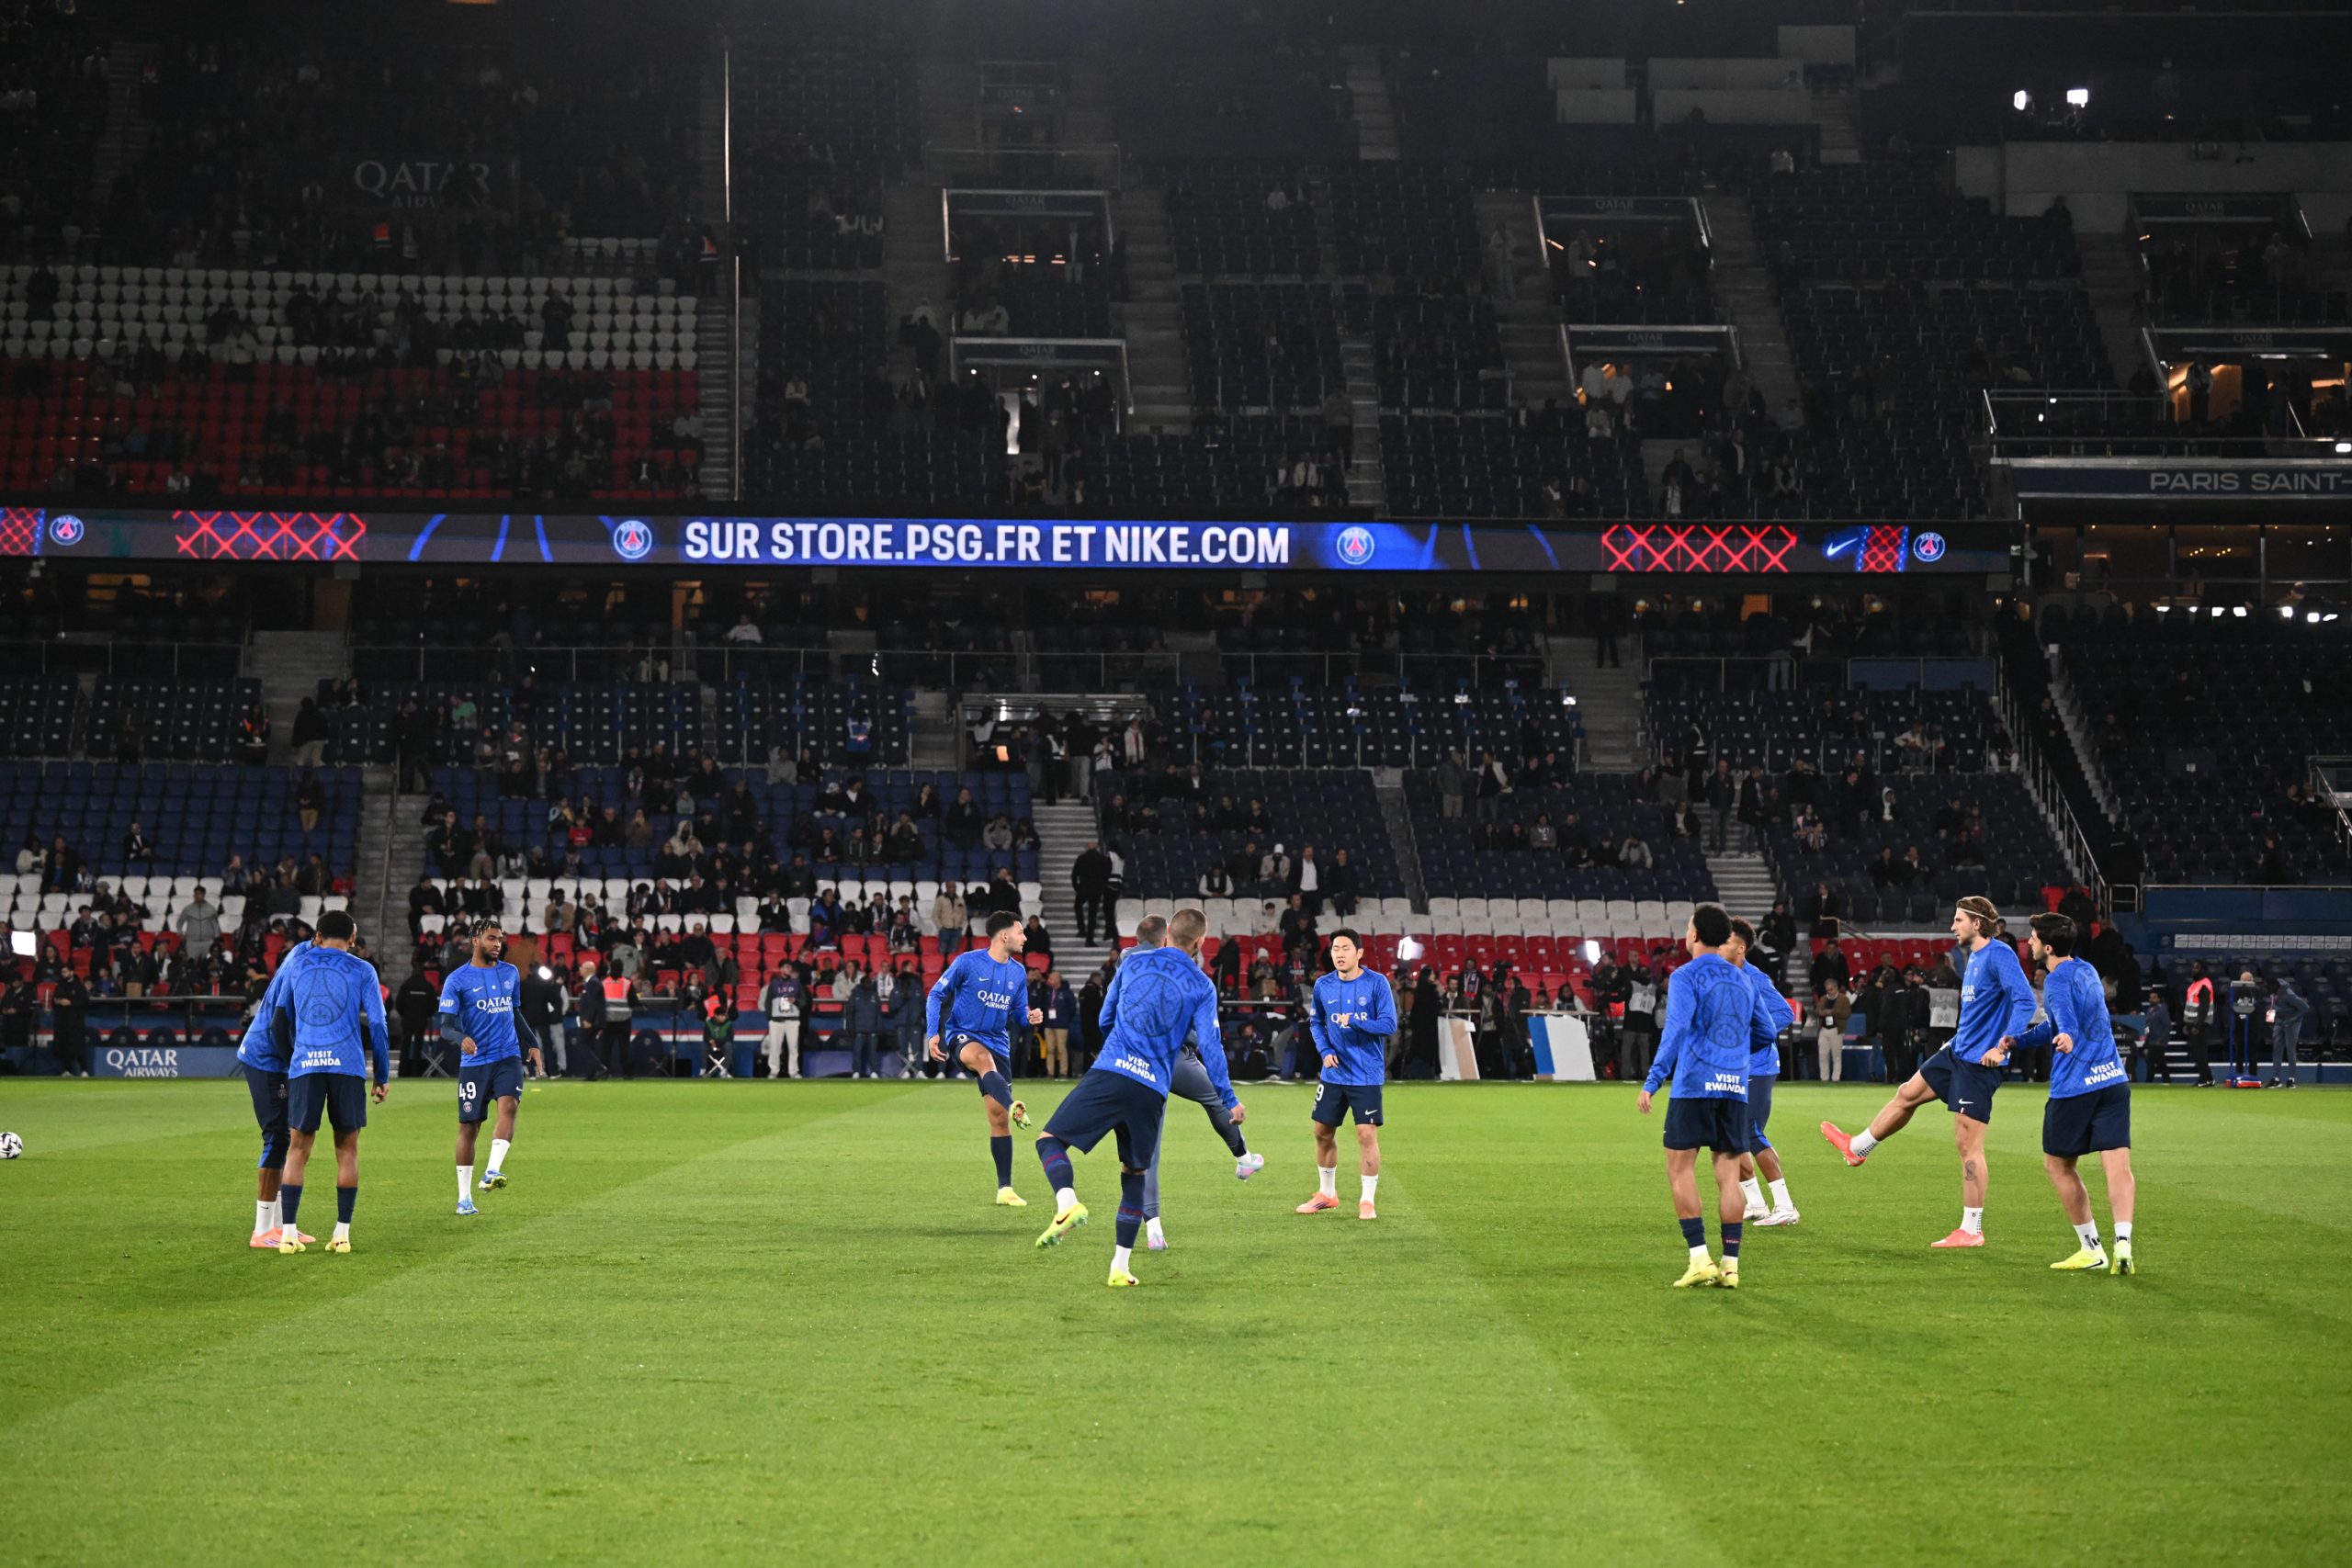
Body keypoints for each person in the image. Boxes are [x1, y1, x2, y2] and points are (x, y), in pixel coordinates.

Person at [1032, 910, 1233, 1288]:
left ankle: (1067, 1204)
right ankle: (1120, 1267)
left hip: (1113, 1069)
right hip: (1153, 1087)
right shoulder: (1203, 985)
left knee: (1049, 1141)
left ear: (1168, 932)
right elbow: (1211, 1046)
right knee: (1135, 1173)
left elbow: (1106, 1019)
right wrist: (1229, 1098)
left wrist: (1123, 1047)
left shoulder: (1132, 960)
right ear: (1201, 943)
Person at [1820, 897, 2036, 1248]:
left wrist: (2002, 1047)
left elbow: (2025, 1001)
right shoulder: (1975, 957)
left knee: (1968, 1145)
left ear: (1977, 924)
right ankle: (1858, 1148)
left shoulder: (1999, 954)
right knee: (1907, 1093)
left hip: (1979, 1064)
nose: (1952, 926)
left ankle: (1972, 1229)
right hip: (1957, 1052)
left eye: (1958, 920)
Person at [2001, 913, 2137, 1275]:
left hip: (2075, 1088)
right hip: (2113, 1081)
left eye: (2030, 938)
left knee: (2058, 1165)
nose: (2027, 943)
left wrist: (2070, 1037)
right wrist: (2021, 1040)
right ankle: (2123, 1241)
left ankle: (2091, 1248)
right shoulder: (2087, 969)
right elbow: (2058, 1024)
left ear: (2047, 947)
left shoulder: (2056, 979)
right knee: (2118, 1166)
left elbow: (2066, 1022)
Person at [1637, 904, 1755, 1289]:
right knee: (1729, 1175)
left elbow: (1675, 1030)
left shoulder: (1685, 976)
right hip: (1735, 1087)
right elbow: (1767, 1030)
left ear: (1694, 935)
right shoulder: (1743, 980)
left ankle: (1699, 1259)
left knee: (1680, 1168)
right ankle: (1731, 1266)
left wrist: (1653, 1080)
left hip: (1695, 1085)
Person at [267, 912, 390, 1254]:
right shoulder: (363, 970)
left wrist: (294, 1060)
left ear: (318, 936)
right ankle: (342, 1235)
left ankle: (288, 1235)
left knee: (297, 1150)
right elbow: (378, 1025)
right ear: (352, 938)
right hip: (347, 1067)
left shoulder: (297, 964)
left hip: (306, 1064)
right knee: (347, 1151)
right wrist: (381, 1075)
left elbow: (278, 1023)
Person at [1138, 950, 1266, 1251]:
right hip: (1176, 1058)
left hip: (1138, 1060)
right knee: (1216, 1098)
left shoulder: (1135, 964)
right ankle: (1244, 1159)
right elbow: (1206, 1040)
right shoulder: (1196, 980)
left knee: (1149, 1146)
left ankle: (1153, 1229)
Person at [925, 910, 1044, 1205]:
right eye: (1020, 932)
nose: (1025, 937)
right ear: (1005, 936)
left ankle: (1005, 1189)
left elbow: (1017, 1013)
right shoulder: (968, 962)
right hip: (963, 1036)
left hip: (998, 1043)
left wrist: (1029, 1017)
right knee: (981, 1059)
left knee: (998, 1119)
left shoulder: (1017, 972)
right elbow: (935, 995)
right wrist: (933, 1033)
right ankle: (1014, 1104)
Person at [1295, 929, 1396, 1221]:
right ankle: (1327, 1194)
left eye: (1346, 948)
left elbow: (1389, 1024)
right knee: (1322, 1132)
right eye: (1335, 949)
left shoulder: (1377, 983)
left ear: (1359, 953)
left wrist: (1355, 1022)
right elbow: (1316, 1023)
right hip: (1333, 1072)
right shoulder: (1323, 985)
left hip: (1366, 1073)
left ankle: (1367, 1201)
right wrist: (1325, 1049)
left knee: (1366, 1133)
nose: (1339, 954)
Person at [439, 919, 537, 1213]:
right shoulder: (457, 980)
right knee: (469, 1128)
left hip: (507, 1056)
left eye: (500, 939)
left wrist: (531, 1042)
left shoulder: (510, 973)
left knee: (510, 1105)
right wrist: (460, 1038)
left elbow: (514, 1011)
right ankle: (464, 1197)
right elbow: (446, 1026)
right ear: (475, 941)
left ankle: (492, 1171)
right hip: (475, 1062)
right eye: (492, 938)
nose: (498, 944)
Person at [233, 940, 311, 1249]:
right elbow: (279, 1024)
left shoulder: (301, 955)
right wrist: (296, 1065)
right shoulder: (301, 966)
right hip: (265, 1058)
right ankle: (262, 1230)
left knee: (287, 1138)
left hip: (274, 1057)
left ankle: (280, 1226)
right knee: (277, 1137)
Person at [1725, 918, 1799, 1227]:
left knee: (1751, 1132)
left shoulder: (1755, 979)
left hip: (1758, 1065)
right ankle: (1756, 1203)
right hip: (1734, 1067)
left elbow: (1785, 1012)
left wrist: (1748, 1036)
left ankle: (1785, 1206)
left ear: (1740, 948)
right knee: (1730, 1137)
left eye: (1725, 941)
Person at [2267, 975, 2310, 1088]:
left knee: (2290, 1050)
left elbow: (2305, 1008)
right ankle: (2276, 1079)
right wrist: (2270, 1019)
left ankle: (2291, 1079)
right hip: (2280, 1021)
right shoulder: (2273, 993)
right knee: (2276, 1049)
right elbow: (2273, 1006)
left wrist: (2291, 1020)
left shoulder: (2288, 995)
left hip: (2292, 1023)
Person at [762, 968, 805, 1079]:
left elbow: (804, 1002)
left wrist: (795, 1001)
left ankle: (793, 1071)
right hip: (776, 1020)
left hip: (793, 1019)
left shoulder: (797, 985)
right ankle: (773, 1071)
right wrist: (769, 1017)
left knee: (793, 1047)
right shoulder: (774, 985)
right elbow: (768, 1001)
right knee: (774, 1047)